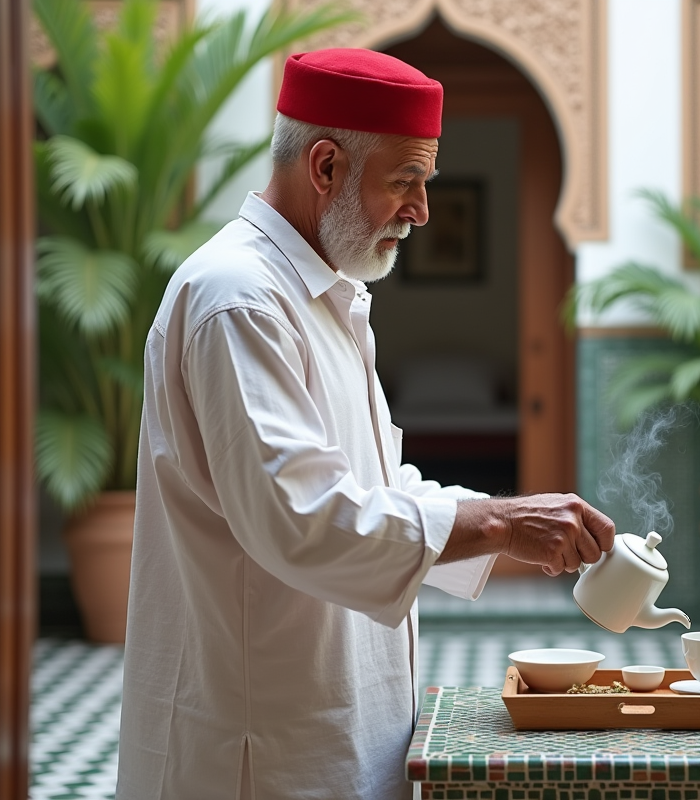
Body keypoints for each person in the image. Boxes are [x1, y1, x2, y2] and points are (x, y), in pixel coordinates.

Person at [115, 48, 616, 800]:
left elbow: (369, 486)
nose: (419, 210)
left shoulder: (322, 297)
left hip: (330, 728)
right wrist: (501, 524)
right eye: (404, 182)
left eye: (424, 184)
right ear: (325, 167)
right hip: (258, 752)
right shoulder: (240, 300)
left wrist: (503, 524)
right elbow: (303, 516)